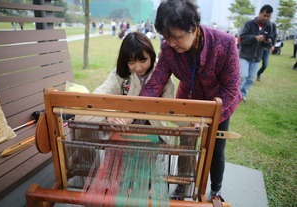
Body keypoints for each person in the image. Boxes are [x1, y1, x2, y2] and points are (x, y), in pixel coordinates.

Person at [138, 0, 241, 201]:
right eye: (166, 37)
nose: (171, 43)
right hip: (188, 100)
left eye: (175, 37)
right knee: (186, 144)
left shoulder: (225, 43)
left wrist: (209, 116)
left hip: (219, 103)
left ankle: (216, 188)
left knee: (215, 147)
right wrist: (137, 107)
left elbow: (231, 88)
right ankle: (183, 186)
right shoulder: (168, 49)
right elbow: (156, 82)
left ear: (193, 27)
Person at [93, 32, 175, 142]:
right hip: (122, 131)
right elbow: (98, 95)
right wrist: (110, 115)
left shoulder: (162, 73)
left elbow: (168, 107)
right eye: (131, 62)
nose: (138, 67)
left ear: (151, 55)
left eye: (143, 61)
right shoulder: (122, 72)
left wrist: (133, 114)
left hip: (154, 133)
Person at [239, 5, 274, 101]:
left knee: (250, 79)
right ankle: (235, 94)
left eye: (268, 16)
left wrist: (268, 41)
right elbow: (242, 37)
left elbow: (270, 39)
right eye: (264, 15)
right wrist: (255, 38)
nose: (266, 18)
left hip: (257, 57)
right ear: (259, 13)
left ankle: (242, 94)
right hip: (244, 55)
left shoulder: (269, 26)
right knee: (242, 76)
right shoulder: (249, 24)